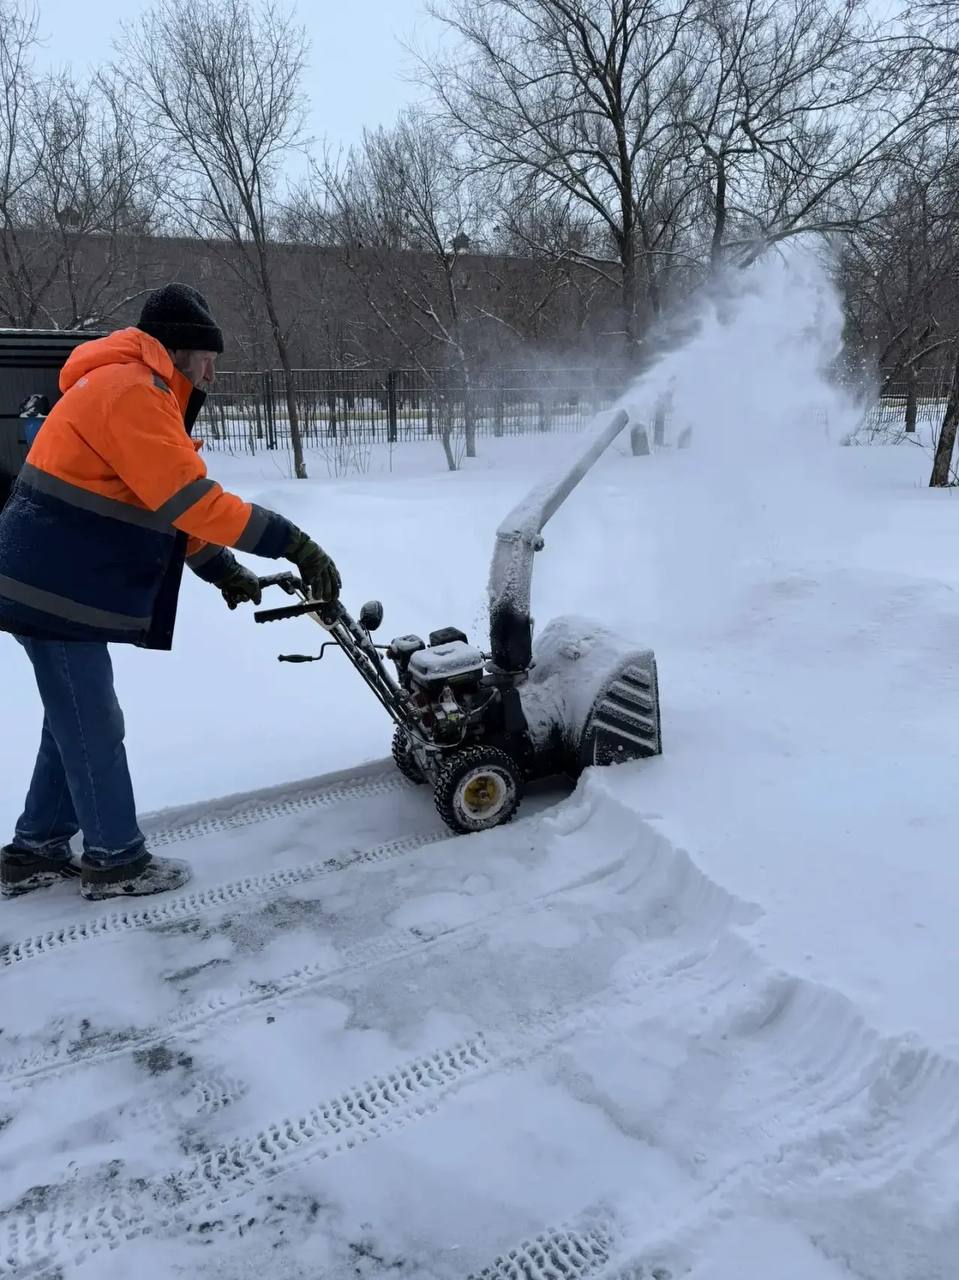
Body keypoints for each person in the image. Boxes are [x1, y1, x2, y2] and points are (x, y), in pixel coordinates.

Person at [0, 283, 340, 902]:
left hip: (50, 581)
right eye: (207, 358)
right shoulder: (131, 391)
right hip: (52, 586)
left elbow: (162, 504)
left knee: (74, 719)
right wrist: (293, 542)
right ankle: (115, 859)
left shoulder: (130, 388)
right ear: (177, 350)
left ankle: (37, 846)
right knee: (93, 723)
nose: (211, 373)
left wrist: (221, 568)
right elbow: (192, 502)